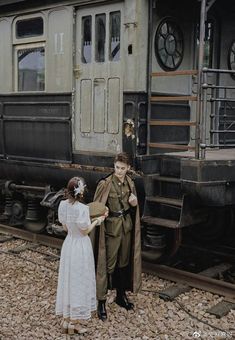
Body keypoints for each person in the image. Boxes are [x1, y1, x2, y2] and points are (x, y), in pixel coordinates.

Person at [92, 152, 142, 321]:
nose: (119, 171)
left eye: (122, 168)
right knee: (107, 265)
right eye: (117, 167)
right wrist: (102, 214)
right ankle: (101, 302)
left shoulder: (130, 182)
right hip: (111, 231)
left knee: (124, 263)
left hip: (126, 228)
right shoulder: (105, 184)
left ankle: (121, 296)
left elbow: (133, 208)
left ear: (128, 168)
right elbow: (95, 210)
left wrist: (135, 204)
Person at [55, 176, 105, 335]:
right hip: (81, 247)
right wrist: (98, 221)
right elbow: (85, 231)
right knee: (79, 281)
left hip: (69, 244)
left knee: (68, 280)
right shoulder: (82, 209)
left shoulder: (62, 205)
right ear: (82, 193)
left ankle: (66, 320)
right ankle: (74, 324)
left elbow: (65, 227)